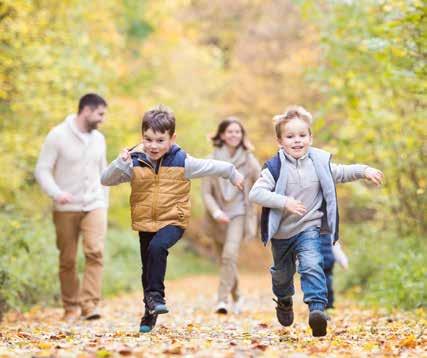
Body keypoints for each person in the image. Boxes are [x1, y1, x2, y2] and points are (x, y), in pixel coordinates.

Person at [101, 105, 244, 333]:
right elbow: (105, 180)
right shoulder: (134, 162)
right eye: (148, 139)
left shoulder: (182, 161)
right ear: (142, 137)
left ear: (171, 138)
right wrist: (120, 162)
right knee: (147, 266)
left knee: (158, 248)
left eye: (159, 140)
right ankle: (149, 312)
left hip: (173, 220)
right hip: (146, 221)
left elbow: (211, 166)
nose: (153, 146)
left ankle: (157, 298)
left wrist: (232, 173)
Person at [248, 106, 383, 337]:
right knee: (282, 275)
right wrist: (284, 202)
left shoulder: (319, 163)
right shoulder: (274, 168)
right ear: (280, 141)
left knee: (312, 264)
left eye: (302, 135)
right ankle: (284, 301)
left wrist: (364, 170)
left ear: (310, 137)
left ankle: (317, 309)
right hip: (281, 233)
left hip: (309, 227)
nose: (297, 141)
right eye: (290, 136)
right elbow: (255, 194)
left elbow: (341, 172)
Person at [35, 93, 109, 321]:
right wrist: (56, 193)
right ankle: (70, 307)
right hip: (66, 207)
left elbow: (104, 172)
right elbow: (42, 169)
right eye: (100, 114)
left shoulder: (99, 139)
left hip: (94, 204)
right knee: (67, 258)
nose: (102, 119)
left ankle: (90, 305)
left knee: (95, 252)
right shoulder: (57, 135)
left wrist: (104, 201)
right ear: (86, 110)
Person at [201, 117, 261, 314]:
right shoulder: (211, 161)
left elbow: (263, 182)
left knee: (229, 255)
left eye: (238, 131)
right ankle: (238, 296)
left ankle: (222, 300)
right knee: (224, 260)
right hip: (217, 216)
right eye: (230, 131)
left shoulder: (249, 160)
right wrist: (216, 212)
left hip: (240, 213)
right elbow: (206, 193)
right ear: (221, 135)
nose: (234, 135)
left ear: (242, 135)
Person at [319, 234, 349, 309]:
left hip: (327, 265)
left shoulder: (330, 237)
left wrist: (343, 262)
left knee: (328, 285)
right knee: (318, 286)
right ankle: (319, 306)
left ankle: (329, 305)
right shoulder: (310, 238)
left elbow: (337, 250)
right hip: (316, 266)